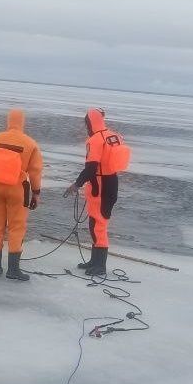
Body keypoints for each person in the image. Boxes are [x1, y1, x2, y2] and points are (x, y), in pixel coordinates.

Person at [63, 108, 129, 276]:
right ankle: (95, 261)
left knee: (99, 225)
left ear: (90, 122)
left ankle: (100, 266)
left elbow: (91, 168)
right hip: (111, 182)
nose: (86, 127)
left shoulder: (95, 140)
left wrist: (76, 185)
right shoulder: (115, 136)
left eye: (86, 123)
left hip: (99, 185)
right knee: (96, 223)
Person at [0, 109, 43, 280]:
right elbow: (35, 172)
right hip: (18, 190)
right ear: (22, 122)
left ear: (8, 121)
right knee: (16, 228)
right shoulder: (30, 144)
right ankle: (13, 270)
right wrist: (36, 193)